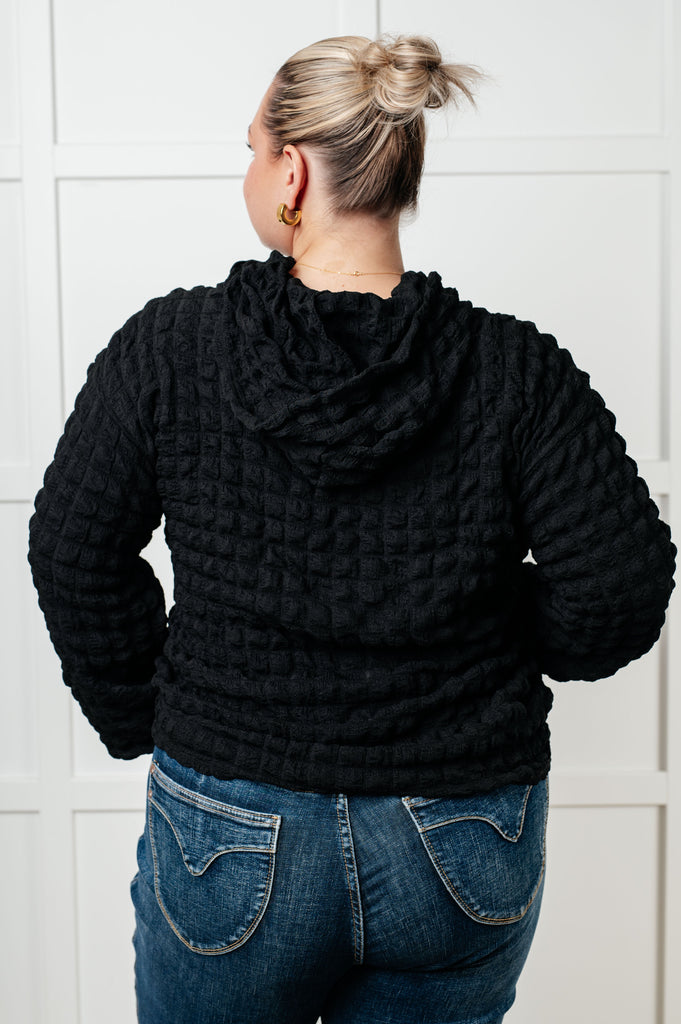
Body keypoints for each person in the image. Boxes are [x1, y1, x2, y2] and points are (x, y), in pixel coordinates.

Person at [27, 33, 675, 1024]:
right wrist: (484, 628)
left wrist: (150, 716)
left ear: (291, 173)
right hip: (462, 832)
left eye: (252, 150)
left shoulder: (172, 349)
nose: (250, 171)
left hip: (230, 823)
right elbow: (618, 588)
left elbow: (75, 554)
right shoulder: (516, 370)